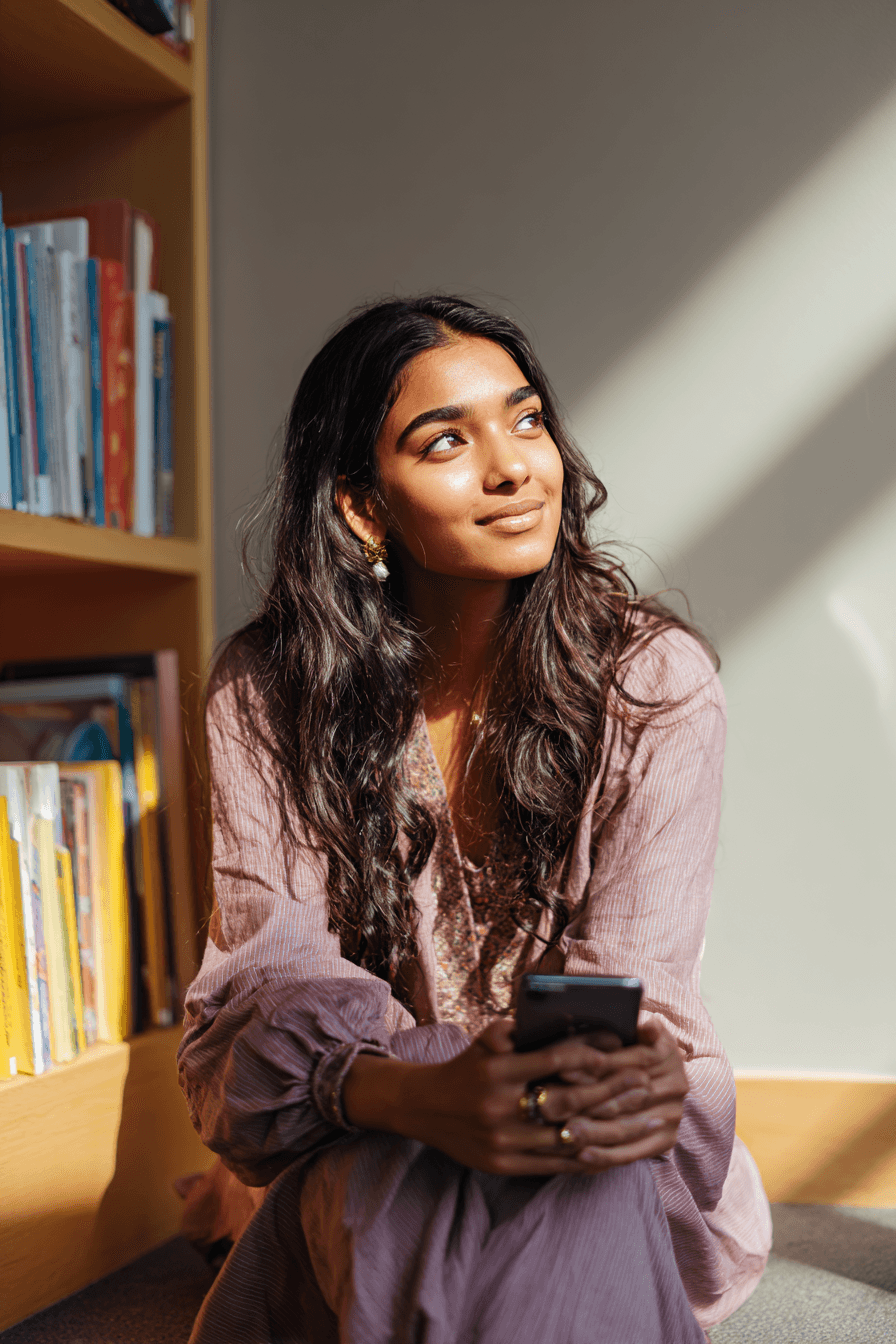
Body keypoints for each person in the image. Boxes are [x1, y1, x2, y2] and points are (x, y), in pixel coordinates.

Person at [177, 296, 772, 1343]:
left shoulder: (653, 682)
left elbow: (624, 994)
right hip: (364, 1121)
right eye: (446, 441)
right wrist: (415, 1095)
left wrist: (562, 1095)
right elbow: (265, 983)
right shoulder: (266, 690)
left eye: (527, 420)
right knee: (381, 1172)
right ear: (363, 507)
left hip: (592, 1145)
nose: (514, 469)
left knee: (561, 1187)